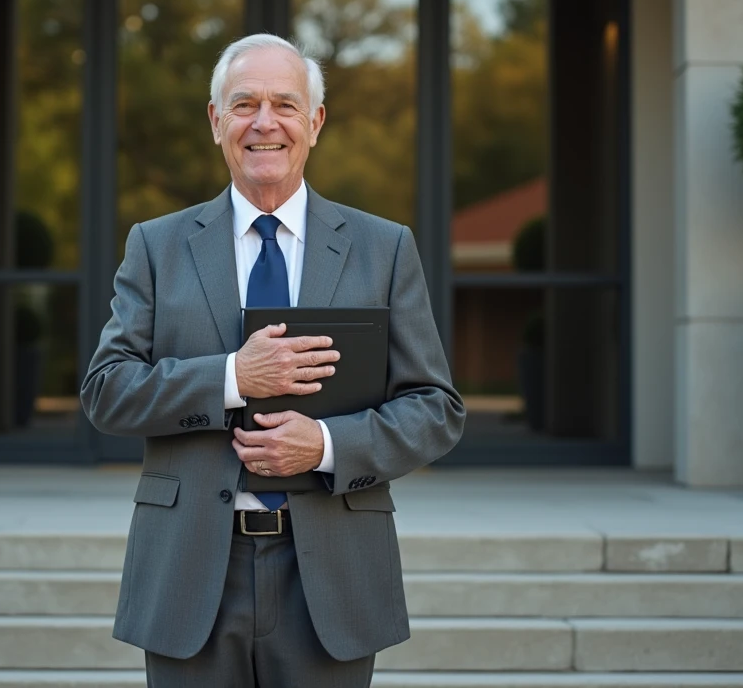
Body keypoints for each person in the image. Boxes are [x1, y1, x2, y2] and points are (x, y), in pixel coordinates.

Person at [81, 33, 465, 687]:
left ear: (314, 123)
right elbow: (106, 390)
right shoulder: (156, 246)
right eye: (244, 104)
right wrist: (233, 376)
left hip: (331, 575)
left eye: (285, 104)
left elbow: (436, 410)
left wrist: (323, 444)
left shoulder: (384, 248)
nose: (265, 122)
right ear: (215, 121)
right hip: (190, 573)